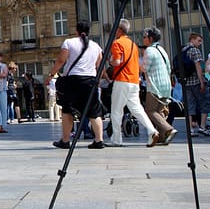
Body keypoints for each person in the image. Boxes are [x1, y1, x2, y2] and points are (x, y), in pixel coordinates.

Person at [47, 20, 105, 149]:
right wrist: (98, 81)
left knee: (67, 110)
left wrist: (51, 75)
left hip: (72, 81)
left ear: (76, 31)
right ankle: (99, 140)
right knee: (93, 111)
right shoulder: (96, 46)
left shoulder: (69, 42)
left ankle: (66, 140)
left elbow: (61, 60)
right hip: (90, 81)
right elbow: (100, 66)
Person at [107, 19, 157, 147]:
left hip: (122, 81)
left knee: (116, 111)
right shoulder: (133, 44)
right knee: (137, 109)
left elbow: (117, 62)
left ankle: (116, 139)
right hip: (134, 81)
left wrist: (110, 61)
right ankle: (152, 131)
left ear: (119, 30)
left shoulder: (117, 43)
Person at [140, 27, 178, 145]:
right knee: (158, 111)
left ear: (150, 38)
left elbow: (144, 68)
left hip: (155, 85)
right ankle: (162, 136)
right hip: (165, 85)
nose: (143, 39)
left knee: (150, 111)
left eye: (145, 37)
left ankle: (168, 129)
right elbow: (168, 68)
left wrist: (137, 64)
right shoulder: (161, 49)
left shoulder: (150, 51)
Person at [178, 33, 210, 137]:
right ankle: (202, 127)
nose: (200, 43)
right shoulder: (195, 50)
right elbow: (198, 67)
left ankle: (190, 129)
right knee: (205, 103)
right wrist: (202, 81)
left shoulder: (182, 50)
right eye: (199, 40)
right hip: (196, 82)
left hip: (186, 83)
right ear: (192, 39)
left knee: (189, 106)